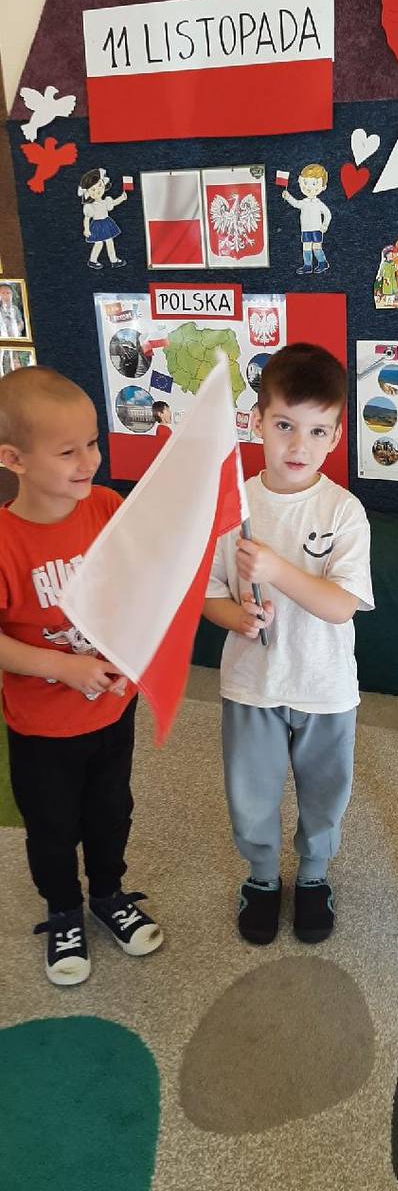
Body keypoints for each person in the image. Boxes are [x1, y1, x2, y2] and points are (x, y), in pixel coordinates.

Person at [204, 343, 373, 946]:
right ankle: (261, 875)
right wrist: (237, 617)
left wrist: (276, 568)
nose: (299, 446)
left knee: (325, 793)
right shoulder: (233, 506)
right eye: (284, 426)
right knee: (250, 794)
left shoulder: (344, 511)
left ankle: (313, 875)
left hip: (325, 687)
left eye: (317, 431)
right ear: (257, 422)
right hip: (253, 684)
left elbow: (341, 604)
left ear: (336, 436)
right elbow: (210, 594)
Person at [0, 366, 162, 985]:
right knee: (52, 827)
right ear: (13, 459)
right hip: (42, 726)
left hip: (112, 709)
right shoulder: (6, 541)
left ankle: (108, 894)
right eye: (68, 451)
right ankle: (64, 910)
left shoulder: (106, 507)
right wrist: (61, 667)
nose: (89, 460)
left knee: (110, 811)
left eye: (92, 443)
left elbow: (132, 589)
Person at [282, 164, 331, 275]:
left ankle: (322, 262)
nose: (309, 187)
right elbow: (296, 203)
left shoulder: (318, 203)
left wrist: (325, 225)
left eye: (314, 184)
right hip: (305, 229)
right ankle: (307, 265)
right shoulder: (304, 202)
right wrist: (288, 197)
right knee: (306, 247)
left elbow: (327, 214)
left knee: (316, 247)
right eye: (305, 182)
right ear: (300, 181)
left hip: (317, 229)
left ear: (323, 187)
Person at [78, 167, 127, 270]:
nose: (98, 190)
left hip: (106, 223)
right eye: (93, 189)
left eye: (100, 186)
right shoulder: (90, 206)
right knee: (99, 243)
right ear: (87, 193)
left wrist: (122, 198)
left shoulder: (105, 201)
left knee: (109, 242)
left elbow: (113, 203)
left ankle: (113, 260)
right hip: (97, 225)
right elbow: (87, 218)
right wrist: (86, 229)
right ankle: (93, 260)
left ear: (104, 185)